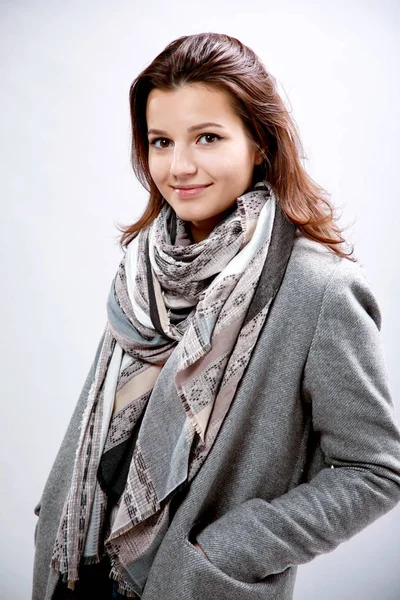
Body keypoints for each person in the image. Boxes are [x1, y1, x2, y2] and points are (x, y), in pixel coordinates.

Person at [32, 32, 400, 600]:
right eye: (160, 141)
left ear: (259, 143)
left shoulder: (318, 290)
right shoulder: (145, 269)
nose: (178, 166)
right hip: (76, 569)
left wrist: (225, 549)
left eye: (207, 137)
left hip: (189, 583)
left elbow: (375, 470)